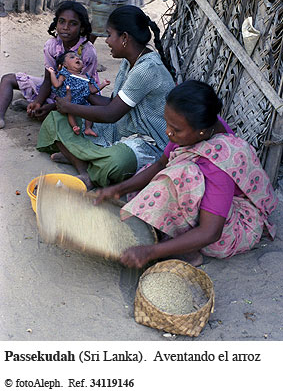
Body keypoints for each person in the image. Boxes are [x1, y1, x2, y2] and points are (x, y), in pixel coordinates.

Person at [93, 80, 278, 269]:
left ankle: (187, 251)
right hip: (209, 206)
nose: (167, 132)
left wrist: (150, 251)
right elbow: (160, 165)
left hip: (229, 228)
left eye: (175, 129)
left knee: (182, 175)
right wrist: (117, 189)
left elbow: (210, 232)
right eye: (167, 123)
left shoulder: (220, 159)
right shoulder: (196, 125)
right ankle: (168, 238)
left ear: (201, 132)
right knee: (158, 174)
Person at [36, 5, 175, 190]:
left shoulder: (146, 69)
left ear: (124, 38)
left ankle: (82, 160)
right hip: (121, 128)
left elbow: (111, 113)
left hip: (147, 142)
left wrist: (70, 107)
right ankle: (83, 163)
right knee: (56, 119)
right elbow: (113, 103)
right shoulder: (130, 61)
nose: (107, 41)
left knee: (117, 161)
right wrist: (80, 91)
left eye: (109, 35)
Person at [0, 0, 99, 129]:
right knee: (7, 79)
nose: (65, 27)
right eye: (61, 21)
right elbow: (48, 80)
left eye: (73, 24)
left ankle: (44, 107)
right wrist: (38, 102)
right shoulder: (52, 45)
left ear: (82, 28)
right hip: (56, 86)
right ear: (56, 23)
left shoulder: (88, 52)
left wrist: (52, 106)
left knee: (69, 118)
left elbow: (83, 90)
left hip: (79, 95)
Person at [48, 50, 110, 136]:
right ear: (65, 65)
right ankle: (74, 126)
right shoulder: (64, 74)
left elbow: (92, 90)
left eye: (79, 58)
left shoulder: (85, 77)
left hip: (83, 101)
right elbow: (56, 84)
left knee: (89, 111)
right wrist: (52, 73)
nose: (77, 58)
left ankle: (88, 128)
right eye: (72, 57)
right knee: (70, 112)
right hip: (69, 101)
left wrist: (103, 84)